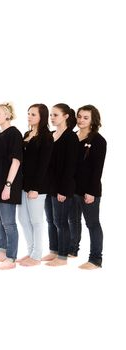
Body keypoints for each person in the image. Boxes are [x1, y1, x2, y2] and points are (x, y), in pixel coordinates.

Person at [0, 102, 23, 270]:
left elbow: (16, 161)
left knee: (9, 223)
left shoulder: (14, 133)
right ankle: (2, 251)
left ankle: (11, 257)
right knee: (0, 221)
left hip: (7, 185)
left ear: (8, 115)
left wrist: (8, 185)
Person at [69, 105, 106, 269]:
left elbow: (97, 169)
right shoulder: (72, 137)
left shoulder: (98, 140)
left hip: (89, 191)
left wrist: (90, 192)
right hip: (72, 189)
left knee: (92, 223)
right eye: (79, 116)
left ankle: (95, 259)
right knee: (73, 221)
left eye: (85, 117)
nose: (81, 120)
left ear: (93, 120)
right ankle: (72, 250)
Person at [17, 104, 53, 267]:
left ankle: (37, 255)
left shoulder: (46, 137)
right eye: (28, 113)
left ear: (41, 117)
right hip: (23, 184)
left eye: (33, 114)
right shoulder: (26, 134)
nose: (29, 116)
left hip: (37, 186)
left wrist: (36, 188)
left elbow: (44, 165)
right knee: (23, 219)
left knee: (36, 220)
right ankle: (31, 251)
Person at [43, 103, 79, 267]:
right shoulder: (50, 135)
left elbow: (70, 166)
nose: (52, 118)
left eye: (55, 115)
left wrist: (63, 190)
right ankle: (54, 250)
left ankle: (63, 257)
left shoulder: (70, 137)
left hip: (62, 187)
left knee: (61, 222)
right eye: (51, 115)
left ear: (66, 116)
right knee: (50, 221)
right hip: (48, 187)